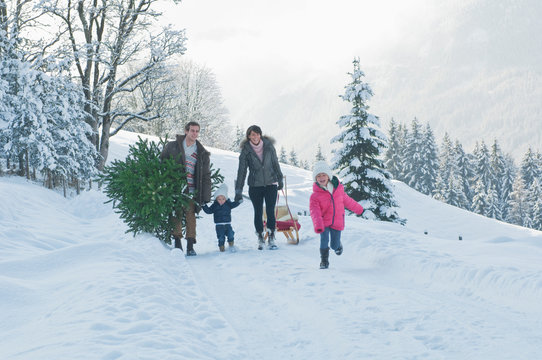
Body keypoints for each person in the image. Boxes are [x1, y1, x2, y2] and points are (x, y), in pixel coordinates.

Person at [160, 121, 211, 256]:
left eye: (197, 131)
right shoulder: (172, 146)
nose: (195, 133)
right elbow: (162, 162)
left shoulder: (202, 152)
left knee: (190, 215)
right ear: (186, 131)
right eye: (192, 130)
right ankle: (177, 242)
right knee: (176, 213)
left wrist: (206, 196)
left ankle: (190, 245)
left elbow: (206, 175)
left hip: (192, 189)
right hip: (176, 187)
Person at [235, 125, 284, 250]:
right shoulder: (246, 150)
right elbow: (241, 171)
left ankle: (272, 236)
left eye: (257, 134)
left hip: (270, 183)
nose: (255, 137)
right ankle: (260, 237)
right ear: (249, 137)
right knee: (258, 211)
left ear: (260, 135)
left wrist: (279, 178)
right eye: (252, 134)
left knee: (270, 211)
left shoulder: (268, 146)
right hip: (255, 185)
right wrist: (238, 190)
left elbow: (275, 162)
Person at [309, 160, 364, 269]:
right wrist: (318, 225)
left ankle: (338, 246)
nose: (321, 178)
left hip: (337, 221)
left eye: (323, 175)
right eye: (318, 176)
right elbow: (315, 213)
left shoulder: (338, 190)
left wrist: (360, 210)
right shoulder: (315, 196)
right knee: (324, 240)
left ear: (328, 176)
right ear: (316, 179)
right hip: (324, 223)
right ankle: (324, 261)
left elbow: (348, 201)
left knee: (334, 245)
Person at [202, 183, 241, 252]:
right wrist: (204, 206)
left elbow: (234, 204)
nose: (221, 201)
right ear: (216, 199)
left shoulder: (228, 204)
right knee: (221, 237)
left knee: (231, 234)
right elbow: (209, 211)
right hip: (219, 225)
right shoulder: (215, 206)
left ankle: (231, 245)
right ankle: (221, 248)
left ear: (225, 198)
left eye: (223, 199)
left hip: (228, 224)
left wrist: (239, 202)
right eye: (219, 199)